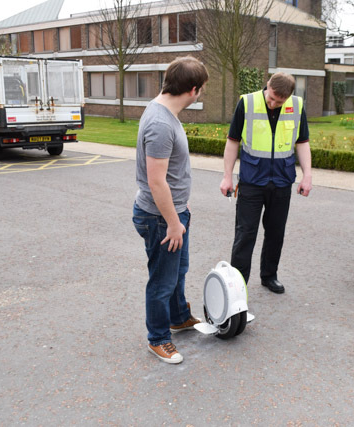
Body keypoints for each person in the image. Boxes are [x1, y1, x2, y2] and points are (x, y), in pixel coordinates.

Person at [132, 56, 209, 364]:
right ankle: (159, 338)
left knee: (178, 271)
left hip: (172, 212)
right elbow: (156, 181)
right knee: (162, 281)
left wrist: (180, 207)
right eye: (202, 88)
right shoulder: (162, 123)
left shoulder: (162, 109)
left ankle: (179, 318)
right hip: (161, 218)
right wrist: (174, 223)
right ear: (193, 90)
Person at [219, 72, 312, 294]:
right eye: (271, 98)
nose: (273, 104)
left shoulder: (297, 107)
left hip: (281, 181)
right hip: (252, 181)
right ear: (267, 86)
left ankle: (269, 275)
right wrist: (227, 175)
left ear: (288, 97)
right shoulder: (247, 103)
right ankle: (238, 284)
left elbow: (302, 142)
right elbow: (233, 141)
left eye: (279, 102)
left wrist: (307, 175)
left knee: (275, 232)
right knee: (245, 233)